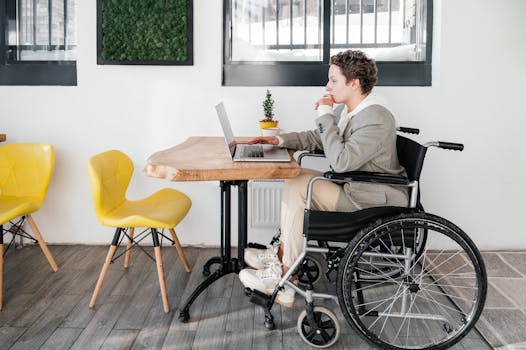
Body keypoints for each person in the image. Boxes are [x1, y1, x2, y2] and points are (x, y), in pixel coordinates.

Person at [238, 50, 409, 307]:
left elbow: (341, 162)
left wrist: (326, 116)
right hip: (357, 186)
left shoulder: (375, 117)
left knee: (300, 187)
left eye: (334, 80)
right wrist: (279, 140)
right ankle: (284, 256)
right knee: (295, 178)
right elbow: (323, 140)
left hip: (373, 197)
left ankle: (285, 277)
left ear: (354, 83)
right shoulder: (353, 111)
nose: (327, 86)